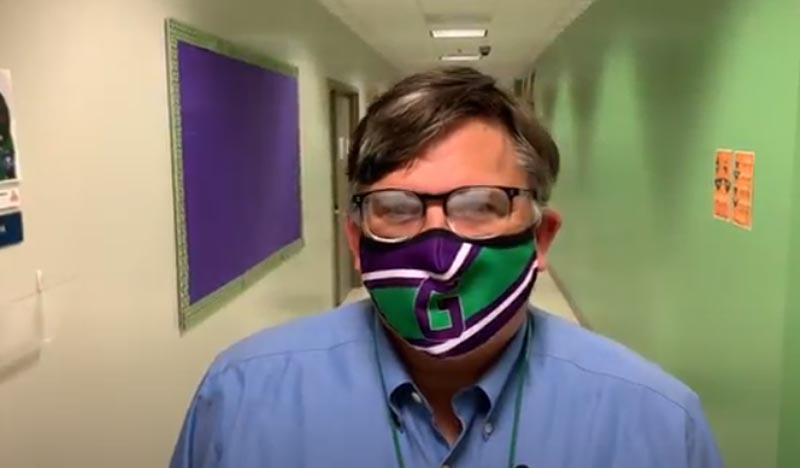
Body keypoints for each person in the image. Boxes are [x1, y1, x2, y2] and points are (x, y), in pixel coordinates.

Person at [171, 67, 724, 468]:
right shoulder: (241, 398)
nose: (439, 248)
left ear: (541, 238)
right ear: (357, 243)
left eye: (480, 206)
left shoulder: (657, 425)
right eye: (396, 209)